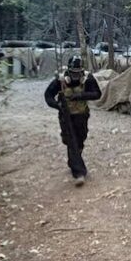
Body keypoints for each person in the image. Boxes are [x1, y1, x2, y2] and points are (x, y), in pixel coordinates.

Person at [44, 56, 101, 186]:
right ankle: (79, 173)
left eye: (78, 73)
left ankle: (74, 160)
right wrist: (57, 105)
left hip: (82, 115)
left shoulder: (87, 78)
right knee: (71, 140)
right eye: (73, 73)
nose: (75, 76)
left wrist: (81, 95)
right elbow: (48, 96)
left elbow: (97, 94)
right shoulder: (60, 80)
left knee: (80, 139)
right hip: (66, 116)